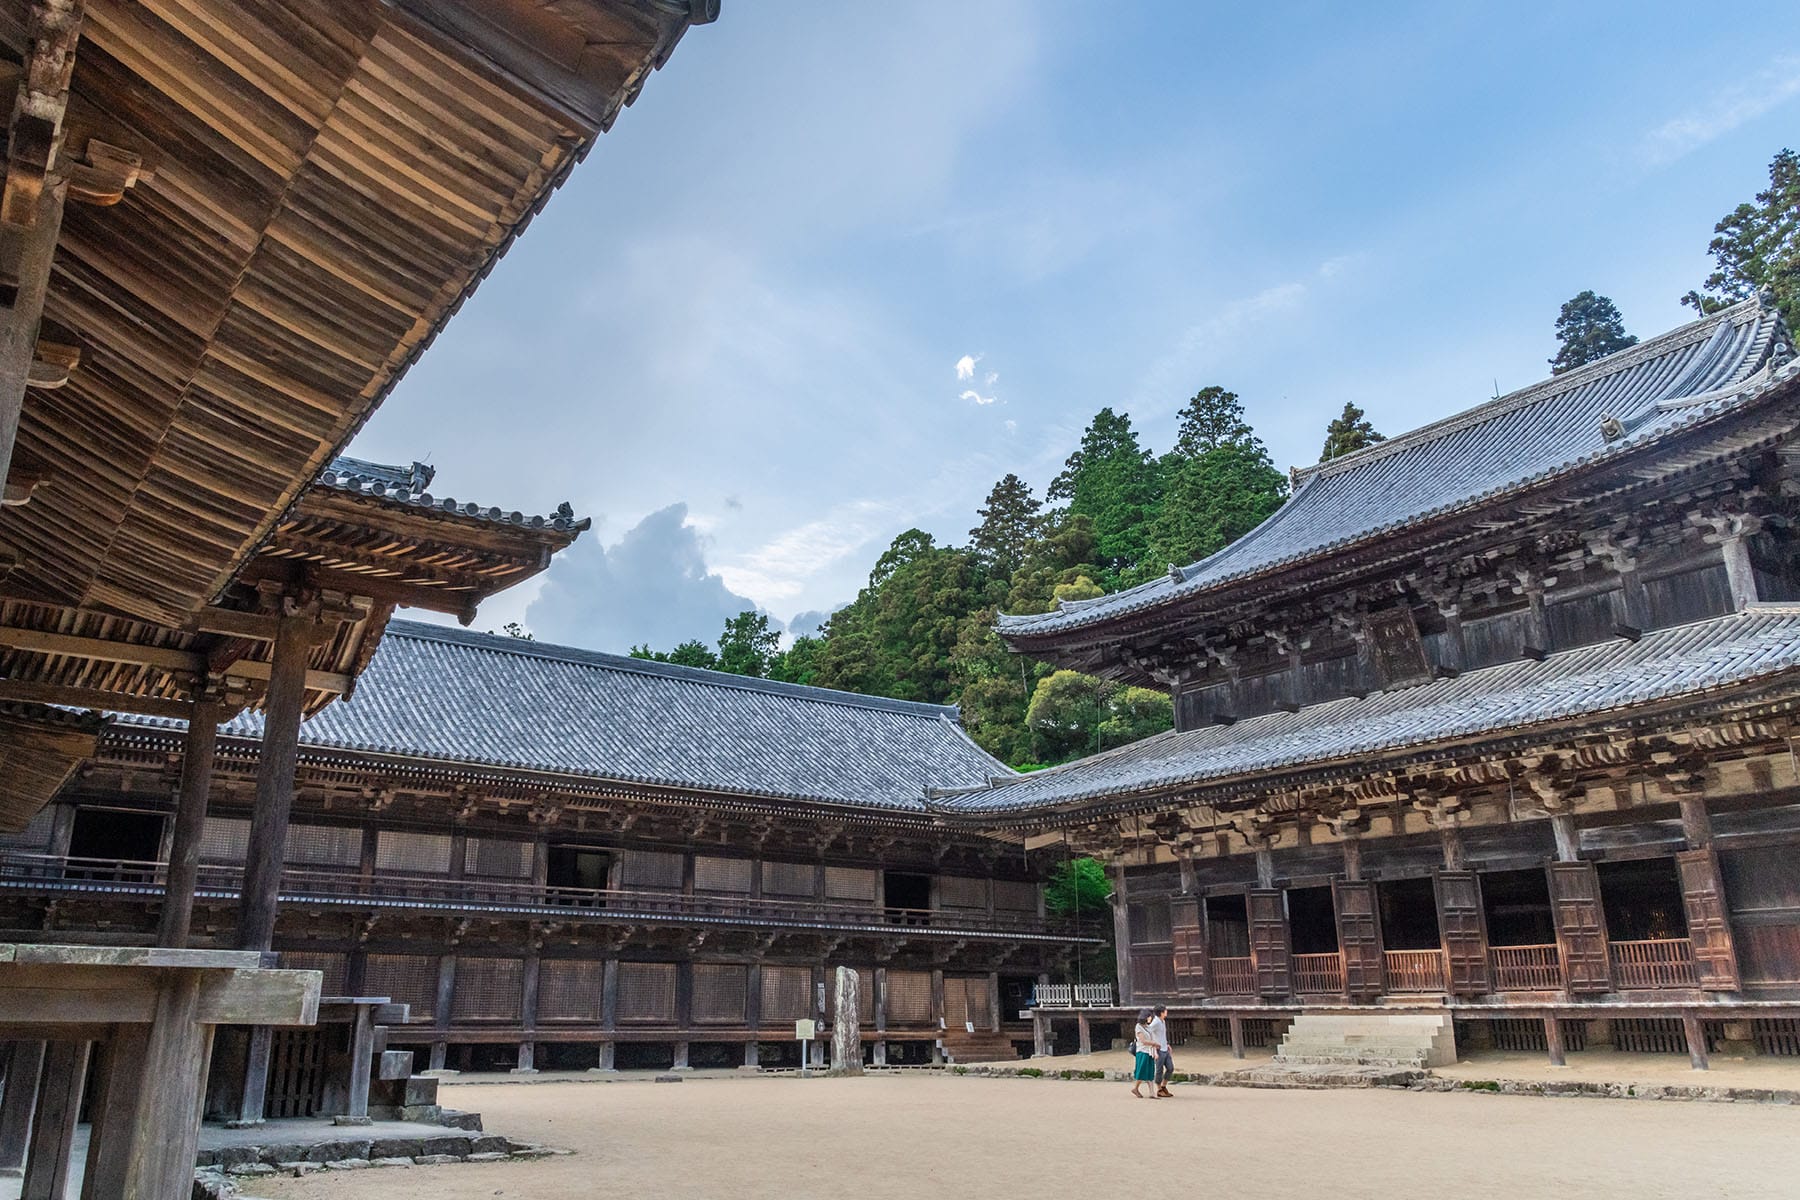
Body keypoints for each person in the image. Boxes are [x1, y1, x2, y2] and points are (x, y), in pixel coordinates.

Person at [1129, 1009, 1160, 1099]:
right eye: (1150, 1017)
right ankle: (1136, 1088)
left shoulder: (1148, 1027)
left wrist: (1154, 1048)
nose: (1151, 1019)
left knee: (1150, 1072)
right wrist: (1154, 1044)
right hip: (1142, 1051)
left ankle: (1152, 1093)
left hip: (1149, 1052)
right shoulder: (1138, 1027)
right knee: (1142, 1071)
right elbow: (1143, 1041)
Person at [1150, 1003, 1175, 1097]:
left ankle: (1164, 1086)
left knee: (1170, 1068)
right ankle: (1159, 1089)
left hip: (1164, 1048)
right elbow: (1149, 1032)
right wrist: (1153, 1047)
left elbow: (1162, 1035)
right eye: (1165, 1010)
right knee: (1159, 1070)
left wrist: (1167, 1044)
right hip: (1158, 1049)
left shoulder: (1162, 1021)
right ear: (1161, 1013)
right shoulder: (1155, 1022)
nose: (1166, 1012)